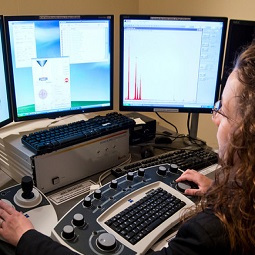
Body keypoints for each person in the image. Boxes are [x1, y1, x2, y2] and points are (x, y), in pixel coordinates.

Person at [1, 42, 255, 255]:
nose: (215, 118)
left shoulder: (209, 233)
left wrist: (26, 237)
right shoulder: (246, 202)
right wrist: (221, 193)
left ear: (244, 134)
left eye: (221, 110)